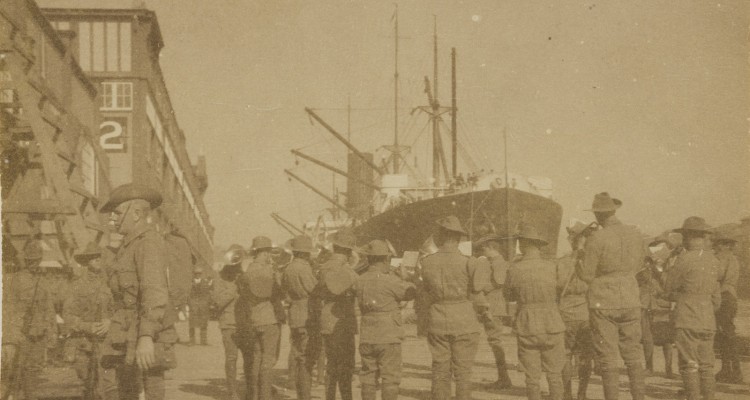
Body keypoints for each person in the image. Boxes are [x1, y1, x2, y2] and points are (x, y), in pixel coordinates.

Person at [99, 183, 176, 400]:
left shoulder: (148, 242)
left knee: (149, 392)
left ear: (135, 214)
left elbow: (154, 292)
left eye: (117, 213)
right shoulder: (128, 245)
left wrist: (146, 337)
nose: (111, 219)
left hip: (145, 332)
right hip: (126, 331)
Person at [577, 192, 646, 400]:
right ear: (614, 211)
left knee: (608, 359)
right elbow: (640, 265)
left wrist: (580, 254)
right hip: (631, 297)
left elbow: (587, 275)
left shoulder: (596, 238)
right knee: (633, 356)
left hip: (604, 301)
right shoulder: (635, 234)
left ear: (598, 215)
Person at [420, 215, 488, 400]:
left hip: (438, 319)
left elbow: (425, 293)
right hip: (464, 319)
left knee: (440, 370)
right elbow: (478, 291)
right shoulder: (469, 262)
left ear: (440, 236)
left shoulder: (426, 262)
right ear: (459, 238)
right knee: (463, 372)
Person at [506, 224, 566, 400]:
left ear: (523, 245)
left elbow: (508, 295)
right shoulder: (553, 266)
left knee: (532, 378)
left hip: (527, 324)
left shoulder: (514, 268)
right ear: (539, 245)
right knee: (555, 375)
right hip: (552, 322)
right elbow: (561, 291)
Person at [666, 217, 721, 400]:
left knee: (689, 365)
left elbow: (669, 288)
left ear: (687, 237)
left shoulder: (684, 259)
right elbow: (716, 298)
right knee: (706, 365)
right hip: (708, 319)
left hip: (687, 317)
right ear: (704, 236)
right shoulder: (714, 260)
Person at [354, 240, 416, 400]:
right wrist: (407, 278)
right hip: (388, 334)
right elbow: (409, 294)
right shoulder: (391, 280)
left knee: (368, 377)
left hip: (367, 334)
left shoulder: (360, 280)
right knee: (390, 377)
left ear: (368, 259)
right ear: (385, 259)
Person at [1, 239, 54, 400]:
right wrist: (13, 335)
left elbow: (49, 308)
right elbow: (8, 308)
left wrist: (51, 333)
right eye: (30, 260)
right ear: (25, 260)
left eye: (36, 260)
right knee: (12, 375)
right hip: (20, 336)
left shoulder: (43, 281)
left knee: (33, 375)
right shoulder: (14, 279)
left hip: (38, 336)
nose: (33, 263)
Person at [62, 242, 115, 400]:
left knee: (109, 387)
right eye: (93, 257)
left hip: (107, 344)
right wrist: (87, 326)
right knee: (88, 387)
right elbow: (68, 316)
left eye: (99, 256)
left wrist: (110, 321)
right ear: (86, 262)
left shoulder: (110, 283)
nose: (97, 259)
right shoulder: (76, 286)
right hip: (84, 345)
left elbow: (118, 309)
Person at [235, 236, 285, 400]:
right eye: (269, 252)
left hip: (253, 320)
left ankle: (253, 396)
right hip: (269, 319)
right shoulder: (268, 271)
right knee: (268, 360)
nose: (269, 256)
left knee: (256, 359)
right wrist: (278, 276)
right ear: (264, 253)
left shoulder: (248, 271)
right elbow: (278, 293)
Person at [313, 231, 359, 400]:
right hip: (343, 320)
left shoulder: (323, 267)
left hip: (326, 318)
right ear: (348, 252)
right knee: (346, 366)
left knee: (331, 364)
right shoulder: (347, 270)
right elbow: (358, 289)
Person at [556, 222, 595, 400]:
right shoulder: (592, 263)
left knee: (566, 354)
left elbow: (556, 287)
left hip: (565, 313)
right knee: (585, 356)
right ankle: (582, 394)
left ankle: (567, 395)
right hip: (586, 314)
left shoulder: (562, 262)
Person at [473, 233, 513, 391]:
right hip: (492, 306)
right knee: (494, 341)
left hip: (493, 307)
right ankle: (503, 377)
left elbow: (499, 281)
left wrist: (480, 288)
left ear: (491, 248)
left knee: (495, 342)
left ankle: (504, 378)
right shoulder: (494, 261)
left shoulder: (497, 262)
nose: (483, 253)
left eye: (484, 249)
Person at [281, 235, 318, 400]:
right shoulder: (304, 268)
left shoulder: (288, 268)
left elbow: (284, 290)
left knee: (296, 353)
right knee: (306, 358)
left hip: (294, 314)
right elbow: (314, 290)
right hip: (306, 314)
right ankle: (305, 396)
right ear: (305, 253)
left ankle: (295, 387)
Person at [212, 244, 244, 400]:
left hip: (246, 323)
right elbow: (217, 301)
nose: (237, 265)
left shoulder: (243, 276)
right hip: (229, 323)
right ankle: (232, 391)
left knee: (250, 357)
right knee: (231, 358)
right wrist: (233, 289)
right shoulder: (220, 278)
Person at [712, 232, 742, 384]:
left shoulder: (729, 259)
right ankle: (726, 369)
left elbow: (721, 277)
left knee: (728, 333)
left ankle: (736, 371)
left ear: (727, 246)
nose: (716, 246)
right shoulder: (724, 258)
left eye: (719, 244)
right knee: (723, 334)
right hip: (723, 296)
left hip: (726, 297)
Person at [188, 266, 213, 346]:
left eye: (199, 273)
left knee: (204, 323)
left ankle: (203, 341)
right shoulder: (190, 283)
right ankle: (192, 341)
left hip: (203, 306)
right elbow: (188, 294)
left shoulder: (205, 282)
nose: (198, 275)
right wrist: (190, 303)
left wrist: (207, 303)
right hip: (193, 305)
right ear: (194, 274)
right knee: (192, 324)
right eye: (196, 273)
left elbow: (208, 294)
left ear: (201, 274)